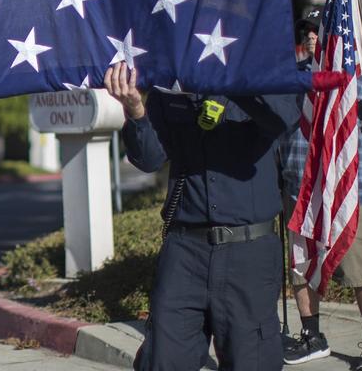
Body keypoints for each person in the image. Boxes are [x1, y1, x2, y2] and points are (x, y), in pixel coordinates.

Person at [104, 61, 298, 371]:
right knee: (163, 359)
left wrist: (229, 79)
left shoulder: (260, 70)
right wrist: (136, 111)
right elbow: (150, 159)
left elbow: (283, 118)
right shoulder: (169, 88)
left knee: (252, 360)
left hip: (248, 252)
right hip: (185, 251)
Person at [281, 12, 362, 370]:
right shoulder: (292, 78)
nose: (313, 37)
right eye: (308, 32)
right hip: (303, 191)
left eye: (319, 31)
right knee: (302, 266)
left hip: (351, 191)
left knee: (361, 267)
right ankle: (312, 336)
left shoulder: (360, 80)